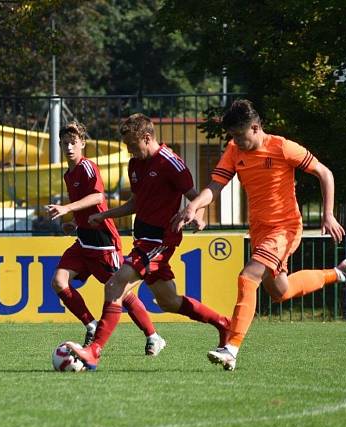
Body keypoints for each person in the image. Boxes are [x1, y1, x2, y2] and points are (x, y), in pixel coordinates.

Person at [172, 99, 346, 371]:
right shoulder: (233, 150)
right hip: (260, 230)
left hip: (285, 228)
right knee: (281, 291)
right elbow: (215, 187)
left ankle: (231, 348)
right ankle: (341, 273)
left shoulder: (282, 147)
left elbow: (325, 173)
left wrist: (328, 214)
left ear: (255, 128)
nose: (237, 142)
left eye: (240, 135)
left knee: (248, 277)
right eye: (233, 136)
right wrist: (194, 206)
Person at [64, 114, 230, 370]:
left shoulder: (171, 163)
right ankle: (223, 324)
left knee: (115, 285)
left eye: (132, 145)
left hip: (160, 240)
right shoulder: (135, 164)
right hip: (143, 239)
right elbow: (136, 204)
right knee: (169, 301)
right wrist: (105, 215)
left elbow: (195, 196)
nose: (130, 151)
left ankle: (93, 352)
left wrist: (198, 215)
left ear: (147, 137)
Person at [46, 121, 159, 352]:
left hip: (103, 243)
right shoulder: (69, 173)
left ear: (82, 144)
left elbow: (98, 198)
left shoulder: (88, 167)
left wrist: (67, 208)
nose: (69, 147)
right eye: (65, 143)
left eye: (73, 143)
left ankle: (153, 335)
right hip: (83, 241)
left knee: (121, 292)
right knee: (58, 281)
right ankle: (90, 324)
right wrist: (75, 224)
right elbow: (86, 208)